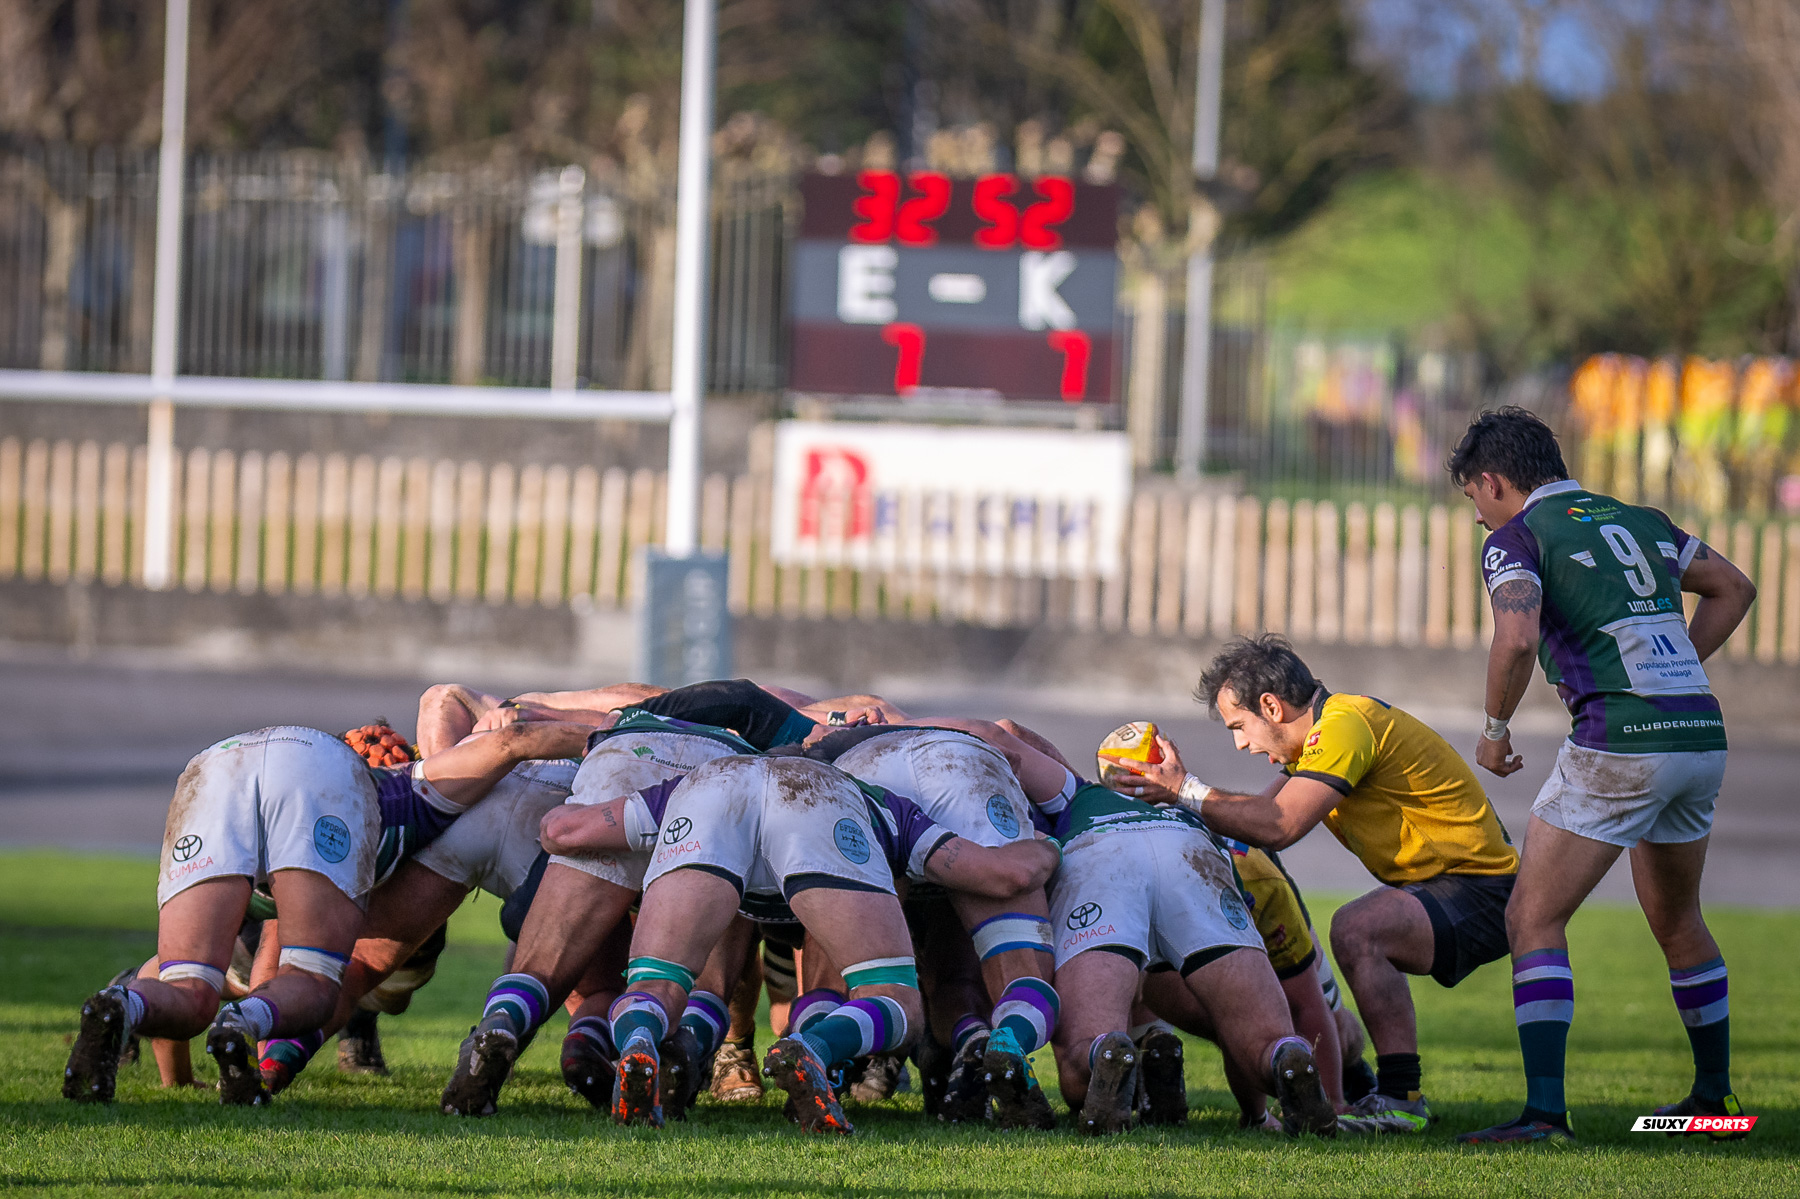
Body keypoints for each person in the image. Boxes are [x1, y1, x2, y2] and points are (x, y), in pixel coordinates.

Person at [1446, 407, 1756, 1145]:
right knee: (1678, 919)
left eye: (1474, 502)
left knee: (1532, 916)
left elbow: (1516, 634)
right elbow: (1735, 587)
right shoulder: (1641, 519)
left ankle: (1545, 1115)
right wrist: (1672, 670)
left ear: (1493, 481)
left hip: (1620, 743)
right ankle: (1714, 1098)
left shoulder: (1516, 537)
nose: (1479, 520)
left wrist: (1493, 732)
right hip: (1698, 735)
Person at [62, 719, 591, 1106]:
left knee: (186, 984)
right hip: (314, 777)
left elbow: (510, 740)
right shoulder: (406, 784)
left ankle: (119, 1005)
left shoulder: (351, 775)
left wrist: (176, 1080)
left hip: (215, 763)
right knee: (314, 985)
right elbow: (515, 740)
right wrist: (623, 737)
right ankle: (237, 1023)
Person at [1115, 635, 1520, 1133]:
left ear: (1271, 705)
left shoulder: (1343, 727)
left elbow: (1278, 825)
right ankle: (1366, 1083)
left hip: (1482, 889)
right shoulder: (1320, 740)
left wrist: (1183, 789)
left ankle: (1401, 1101)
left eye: (1240, 726)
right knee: (1351, 943)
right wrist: (1171, 813)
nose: (1241, 743)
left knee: (1357, 930)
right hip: (1447, 888)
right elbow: (1254, 829)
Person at [558, 750, 1060, 1133]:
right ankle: (811, 1045)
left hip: (709, 791)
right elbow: (1001, 875)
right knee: (896, 1003)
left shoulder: (687, 782)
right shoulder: (879, 796)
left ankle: (639, 1043)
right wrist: (1048, 846)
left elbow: (564, 832)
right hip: (818, 799)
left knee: (658, 983)